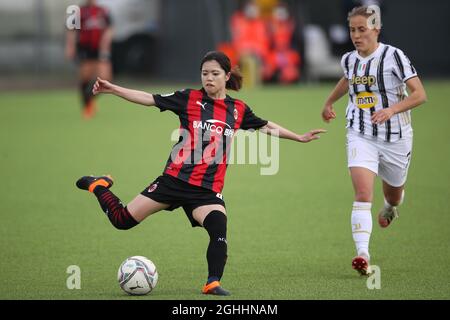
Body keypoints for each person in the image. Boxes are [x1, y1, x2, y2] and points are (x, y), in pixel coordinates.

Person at [76, 51, 325, 295]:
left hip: (206, 191)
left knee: (218, 225)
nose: (209, 78)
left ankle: (212, 283)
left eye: (215, 73)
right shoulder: (188, 98)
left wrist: (299, 137)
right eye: (205, 73)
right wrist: (114, 89)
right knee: (122, 221)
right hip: (174, 181)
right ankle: (98, 186)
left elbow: (266, 125)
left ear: (227, 76)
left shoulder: (237, 109)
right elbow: (149, 98)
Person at [321, 6, 427, 275]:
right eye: (352, 30)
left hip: (396, 138)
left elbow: (419, 95)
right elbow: (348, 79)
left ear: (376, 29)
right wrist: (330, 101)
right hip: (360, 133)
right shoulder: (349, 59)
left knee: (393, 194)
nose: (356, 36)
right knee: (362, 193)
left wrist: (392, 109)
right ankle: (363, 254)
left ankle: (391, 207)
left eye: (362, 30)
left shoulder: (394, 56)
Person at [65, 0, 113, 119]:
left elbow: (109, 29)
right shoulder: (77, 11)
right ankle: (87, 106)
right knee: (85, 77)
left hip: (100, 48)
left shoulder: (103, 10)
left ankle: (90, 99)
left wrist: (106, 44)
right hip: (85, 48)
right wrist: (70, 46)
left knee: (106, 76)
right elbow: (71, 30)